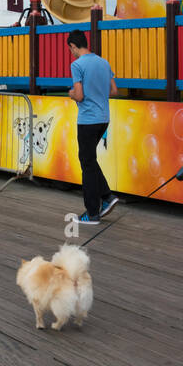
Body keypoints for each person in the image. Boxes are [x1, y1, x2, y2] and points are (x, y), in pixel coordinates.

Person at [66, 30, 118, 224]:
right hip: (104, 118)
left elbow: (79, 95)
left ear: (73, 46)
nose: (71, 53)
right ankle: (107, 197)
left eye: (70, 49)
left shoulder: (77, 65)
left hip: (87, 119)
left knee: (86, 163)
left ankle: (92, 213)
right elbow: (113, 90)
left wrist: (71, 94)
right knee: (89, 159)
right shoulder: (104, 62)